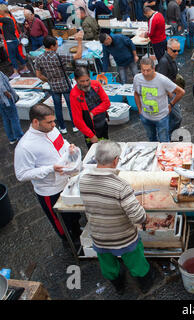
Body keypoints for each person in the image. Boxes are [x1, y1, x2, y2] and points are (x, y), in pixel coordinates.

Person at [79, 140, 156, 295]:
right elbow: (137, 216)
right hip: (124, 237)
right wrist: (145, 218)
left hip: (99, 236)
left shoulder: (83, 180)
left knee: (108, 265)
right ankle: (145, 283)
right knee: (136, 262)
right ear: (115, 160)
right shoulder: (121, 186)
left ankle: (119, 286)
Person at [14, 104, 82, 244]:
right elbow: (21, 174)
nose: (54, 124)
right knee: (61, 221)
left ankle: (78, 232)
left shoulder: (52, 130)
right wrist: (50, 168)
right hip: (50, 190)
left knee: (73, 213)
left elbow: (61, 143)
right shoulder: (25, 146)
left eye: (54, 121)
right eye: (49, 122)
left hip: (66, 180)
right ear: (35, 122)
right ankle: (68, 241)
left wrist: (69, 147)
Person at [35, 34, 84, 134]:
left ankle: (62, 127)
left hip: (53, 86)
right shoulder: (58, 56)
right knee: (71, 106)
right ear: (52, 46)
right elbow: (78, 55)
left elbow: (38, 75)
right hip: (65, 85)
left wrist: (49, 80)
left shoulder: (39, 58)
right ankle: (75, 126)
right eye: (56, 45)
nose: (57, 46)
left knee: (58, 108)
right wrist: (79, 42)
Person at [133, 57, 185, 142]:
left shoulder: (162, 80)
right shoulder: (137, 78)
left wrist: (171, 105)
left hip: (161, 118)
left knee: (164, 141)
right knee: (151, 139)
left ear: (153, 69)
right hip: (145, 117)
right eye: (143, 70)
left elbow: (181, 92)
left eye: (148, 70)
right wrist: (139, 110)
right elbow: (136, 93)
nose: (145, 73)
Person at [70, 67, 110, 148]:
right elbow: (77, 120)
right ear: (75, 80)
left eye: (87, 80)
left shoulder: (96, 84)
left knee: (106, 147)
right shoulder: (74, 95)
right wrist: (90, 135)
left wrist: (92, 113)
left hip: (103, 123)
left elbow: (107, 103)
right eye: (82, 81)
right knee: (94, 151)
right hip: (90, 129)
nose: (85, 84)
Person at [156, 38, 184, 139]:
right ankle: (168, 134)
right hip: (167, 94)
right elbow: (160, 80)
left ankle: (171, 134)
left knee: (172, 116)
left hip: (171, 92)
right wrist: (169, 93)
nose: (177, 53)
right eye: (174, 50)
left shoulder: (170, 59)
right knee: (177, 117)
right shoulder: (164, 62)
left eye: (178, 51)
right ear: (168, 49)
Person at [0, 5, 31, 79]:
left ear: (2, 11)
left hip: (10, 41)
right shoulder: (10, 18)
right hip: (14, 40)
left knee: (12, 57)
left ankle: (15, 72)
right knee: (18, 55)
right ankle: (25, 68)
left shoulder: (6, 19)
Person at [0, 71, 23, 144]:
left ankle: (11, 138)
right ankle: (20, 137)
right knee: (14, 118)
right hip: (5, 99)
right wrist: (7, 94)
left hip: (1, 101)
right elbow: (1, 86)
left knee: (6, 119)